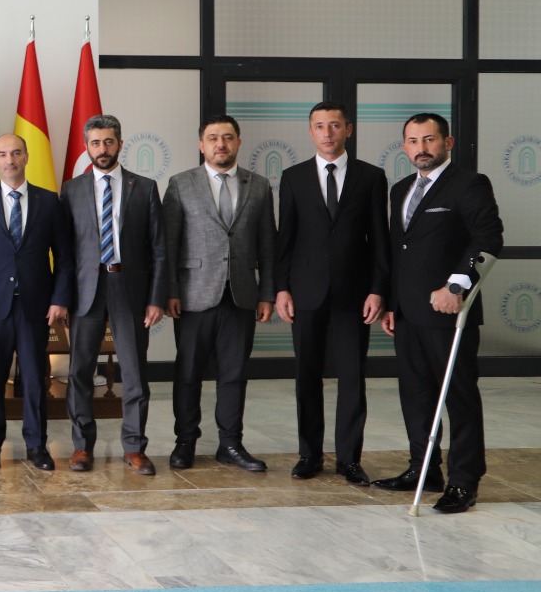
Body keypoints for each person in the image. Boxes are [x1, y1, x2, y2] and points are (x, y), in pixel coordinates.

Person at [378, 113, 504, 514]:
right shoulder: (400, 189)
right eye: (413, 141)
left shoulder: (469, 184)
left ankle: (464, 481)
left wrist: (456, 285)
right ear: (405, 147)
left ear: (447, 143)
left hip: (449, 311)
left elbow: (488, 236)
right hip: (407, 313)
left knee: (459, 395)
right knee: (416, 395)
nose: (422, 148)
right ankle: (424, 469)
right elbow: (399, 250)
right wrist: (391, 303)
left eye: (429, 139)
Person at [273, 103, 390, 486]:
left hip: (354, 295)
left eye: (335, 125)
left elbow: (380, 239)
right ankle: (309, 455)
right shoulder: (293, 177)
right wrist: (281, 288)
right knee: (306, 376)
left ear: (348, 130)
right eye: (320, 126)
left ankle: (349, 459)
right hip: (305, 292)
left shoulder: (371, 177)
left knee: (353, 377)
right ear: (310, 132)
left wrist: (378, 290)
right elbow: (285, 238)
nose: (328, 133)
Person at [163, 115, 276, 473]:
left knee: (234, 374)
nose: (220, 144)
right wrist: (169, 290)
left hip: (241, 295)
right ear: (201, 145)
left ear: (239, 142)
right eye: (213, 138)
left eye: (227, 137)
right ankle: (185, 442)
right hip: (193, 295)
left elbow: (268, 245)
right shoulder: (181, 184)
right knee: (188, 374)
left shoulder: (259, 186)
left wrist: (267, 293)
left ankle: (230, 444)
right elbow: (168, 244)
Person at [59, 115, 168, 475]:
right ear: (86, 147)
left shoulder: (145, 187)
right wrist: (62, 297)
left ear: (120, 144)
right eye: (95, 143)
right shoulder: (71, 189)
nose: (102, 149)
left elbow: (159, 249)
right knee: (80, 372)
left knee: (134, 373)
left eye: (108, 142)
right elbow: (64, 252)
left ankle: (134, 448)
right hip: (85, 291)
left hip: (129, 289)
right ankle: (81, 446)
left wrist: (156, 298)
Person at [0, 133, 71, 472]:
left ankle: (36, 445)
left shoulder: (49, 202)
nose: (9, 160)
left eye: (15, 153)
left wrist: (59, 299)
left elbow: (64, 257)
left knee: (35, 380)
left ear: (26, 157)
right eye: (2, 154)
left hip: (35, 307)